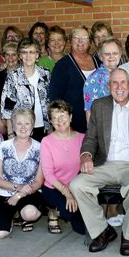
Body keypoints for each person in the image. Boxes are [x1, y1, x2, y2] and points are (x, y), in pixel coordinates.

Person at [70, 68, 129, 256]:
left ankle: (128, 235)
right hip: (104, 164)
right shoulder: (99, 105)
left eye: (123, 83)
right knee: (77, 185)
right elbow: (91, 138)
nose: (119, 87)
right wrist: (86, 155)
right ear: (108, 85)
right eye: (114, 83)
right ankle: (102, 231)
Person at [0, 108, 45, 238]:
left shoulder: (40, 147)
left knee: (30, 213)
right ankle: (11, 216)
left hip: (29, 192)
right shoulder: (4, 146)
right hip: (4, 191)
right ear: (13, 126)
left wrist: (19, 195)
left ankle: (21, 214)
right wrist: (17, 187)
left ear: (32, 126)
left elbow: (38, 181)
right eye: (19, 123)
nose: (23, 127)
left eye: (27, 123)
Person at [40, 100, 87, 234]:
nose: (59, 121)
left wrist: (73, 190)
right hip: (54, 187)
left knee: (84, 226)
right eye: (55, 118)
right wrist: (67, 193)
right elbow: (48, 175)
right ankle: (54, 212)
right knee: (70, 213)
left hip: (76, 186)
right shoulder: (47, 142)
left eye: (62, 116)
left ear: (70, 117)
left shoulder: (82, 138)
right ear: (51, 121)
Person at [49, 26, 98, 133]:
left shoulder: (98, 61)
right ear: (70, 41)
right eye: (76, 37)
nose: (80, 41)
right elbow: (55, 98)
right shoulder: (62, 66)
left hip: (100, 122)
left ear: (90, 42)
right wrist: (63, 124)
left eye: (84, 38)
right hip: (74, 125)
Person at [1, 37, 51, 141]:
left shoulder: (46, 74)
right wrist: (10, 134)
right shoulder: (13, 77)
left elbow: (50, 100)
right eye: (24, 52)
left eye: (31, 52)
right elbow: (7, 109)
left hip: (45, 127)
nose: (28, 56)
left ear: (37, 55)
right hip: (22, 129)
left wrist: (51, 127)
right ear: (20, 55)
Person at [83, 37, 124, 122]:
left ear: (120, 55)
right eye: (107, 54)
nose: (111, 57)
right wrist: (92, 134)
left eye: (115, 53)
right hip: (103, 128)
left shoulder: (124, 75)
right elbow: (89, 111)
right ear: (101, 57)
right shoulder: (93, 79)